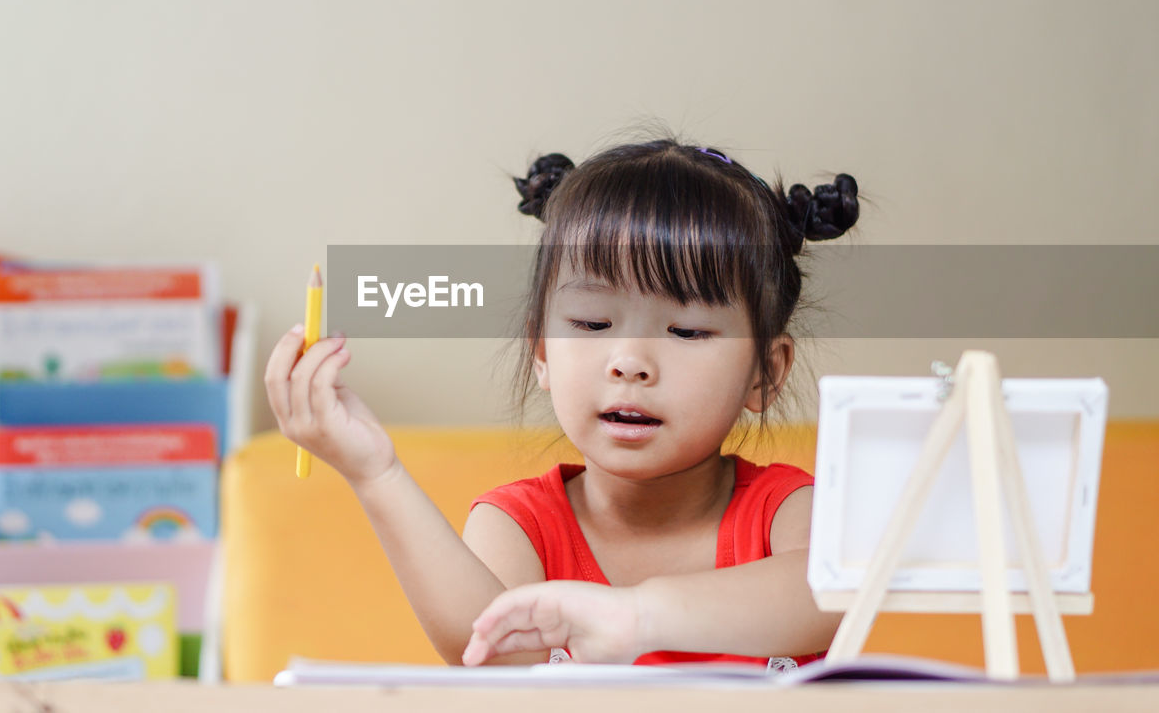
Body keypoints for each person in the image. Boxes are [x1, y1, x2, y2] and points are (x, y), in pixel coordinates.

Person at [264, 137, 860, 668]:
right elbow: (487, 647)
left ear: (765, 371)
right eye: (592, 322)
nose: (629, 362)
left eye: (687, 332)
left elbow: (826, 594)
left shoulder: (790, 513)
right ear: (542, 352)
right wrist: (376, 473)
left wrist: (637, 617)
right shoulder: (518, 525)